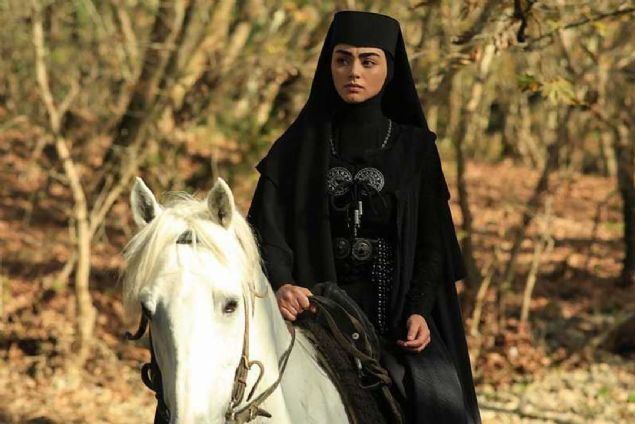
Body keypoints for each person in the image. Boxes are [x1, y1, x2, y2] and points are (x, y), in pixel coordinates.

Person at [247, 10, 481, 424]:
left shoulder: (414, 149)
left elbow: (433, 242)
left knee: (441, 402)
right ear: (329, 65)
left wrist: (419, 310)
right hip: (313, 314)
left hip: (395, 317)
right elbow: (266, 229)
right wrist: (281, 283)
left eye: (368, 61)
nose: (353, 71)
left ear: (389, 70)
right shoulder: (297, 146)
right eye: (342, 59)